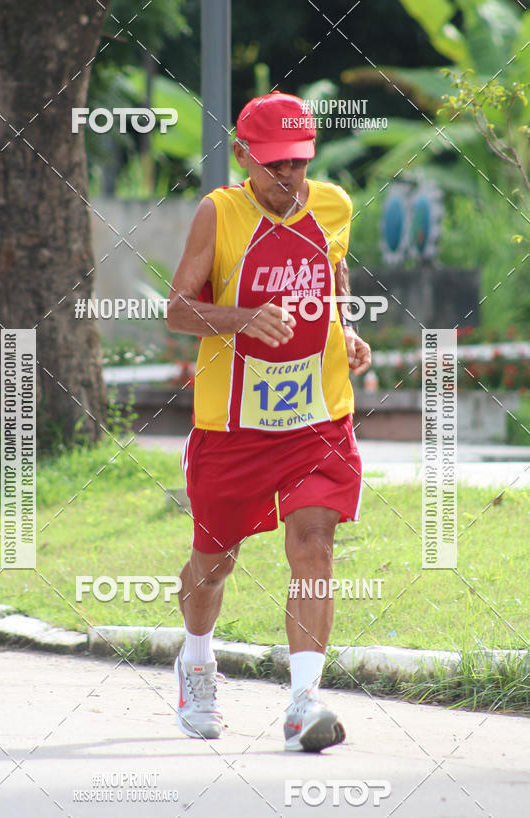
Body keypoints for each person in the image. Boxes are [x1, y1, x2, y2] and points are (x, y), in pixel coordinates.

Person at [166, 91, 372, 752]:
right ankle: (197, 660)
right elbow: (176, 309)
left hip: (318, 416)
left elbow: (331, 277)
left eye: (299, 162)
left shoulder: (335, 204)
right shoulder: (219, 214)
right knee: (214, 561)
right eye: (274, 163)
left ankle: (303, 700)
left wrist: (349, 330)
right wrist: (240, 318)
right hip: (234, 426)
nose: (287, 176)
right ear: (242, 155)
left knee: (314, 541)